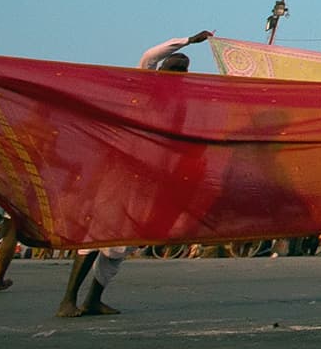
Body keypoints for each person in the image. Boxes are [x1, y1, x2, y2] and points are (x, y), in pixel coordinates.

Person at [56, 30, 212, 318]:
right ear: (162, 69)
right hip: (119, 175)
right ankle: (68, 300)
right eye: (174, 68)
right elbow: (150, 56)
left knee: (120, 246)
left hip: (149, 181)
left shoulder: (183, 105)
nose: (178, 74)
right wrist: (189, 41)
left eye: (183, 70)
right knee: (98, 235)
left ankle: (93, 300)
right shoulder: (145, 86)